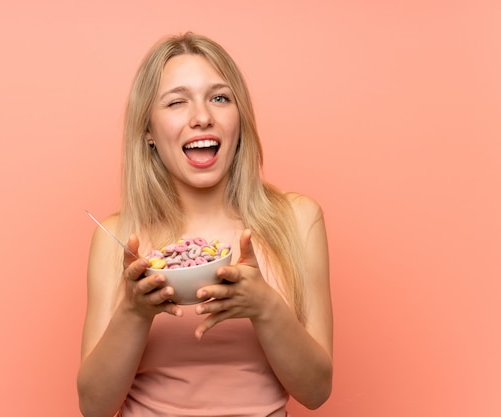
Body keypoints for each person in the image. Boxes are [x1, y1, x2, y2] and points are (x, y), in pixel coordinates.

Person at [77, 32, 333, 417]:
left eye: (220, 98)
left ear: (240, 119)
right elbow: (94, 407)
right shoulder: (117, 237)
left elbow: (316, 391)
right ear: (147, 131)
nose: (201, 117)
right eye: (176, 102)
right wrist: (134, 311)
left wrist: (265, 307)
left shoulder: (297, 220)